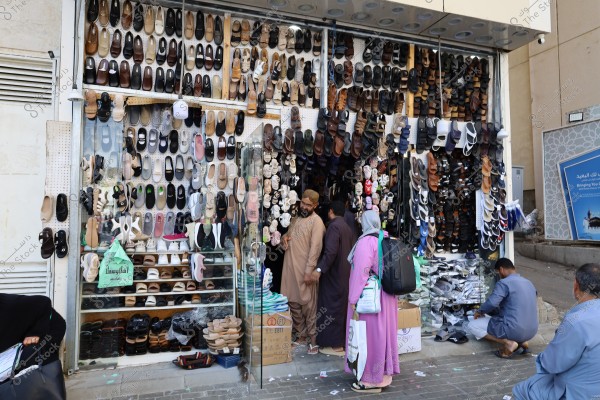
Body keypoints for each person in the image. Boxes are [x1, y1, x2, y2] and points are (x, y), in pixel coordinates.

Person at [512, 263, 600, 400]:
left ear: (576, 286)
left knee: (523, 389)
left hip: (578, 393)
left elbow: (551, 364)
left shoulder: (576, 321)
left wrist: (542, 358)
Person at [345, 210, 399, 393]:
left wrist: (353, 298)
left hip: (371, 298)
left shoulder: (366, 242)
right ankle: (384, 375)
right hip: (388, 296)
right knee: (384, 335)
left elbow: (361, 273)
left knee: (369, 338)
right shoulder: (387, 239)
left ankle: (370, 380)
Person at [280, 189, 326, 355]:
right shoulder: (295, 219)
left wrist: (309, 271)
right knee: (292, 302)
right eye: (303, 203)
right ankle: (301, 335)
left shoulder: (317, 222)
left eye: (308, 205)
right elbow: (287, 236)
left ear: (315, 205)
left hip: (305, 270)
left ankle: (313, 340)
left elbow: (316, 248)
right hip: (290, 269)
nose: (304, 207)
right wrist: (283, 239)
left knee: (308, 305)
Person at [467, 258, 538, 358]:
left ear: (501, 270)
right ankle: (523, 342)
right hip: (532, 330)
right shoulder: (529, 283)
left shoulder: (504, 283)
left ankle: (508, 343)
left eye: (498, 273)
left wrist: (480, 311)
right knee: (510, 318)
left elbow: (492, 303)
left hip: (514, 329)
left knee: (472, 325)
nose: (499, 276)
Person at [314, 201, 354, 357]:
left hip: (334, 275)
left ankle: (334, 344)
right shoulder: (347, 227)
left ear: (330, 211)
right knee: (339, 308)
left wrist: (319, 269)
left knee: (330, 308)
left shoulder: (334, 227)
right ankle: (340, 343)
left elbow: (330, 252)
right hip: (344, 274)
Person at [0, 293, 66, 374]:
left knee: (30, 365)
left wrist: (35, 332)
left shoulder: (9, 304)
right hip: (25, 332)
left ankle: (48, 385)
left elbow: (44, 302)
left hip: (49, 326)